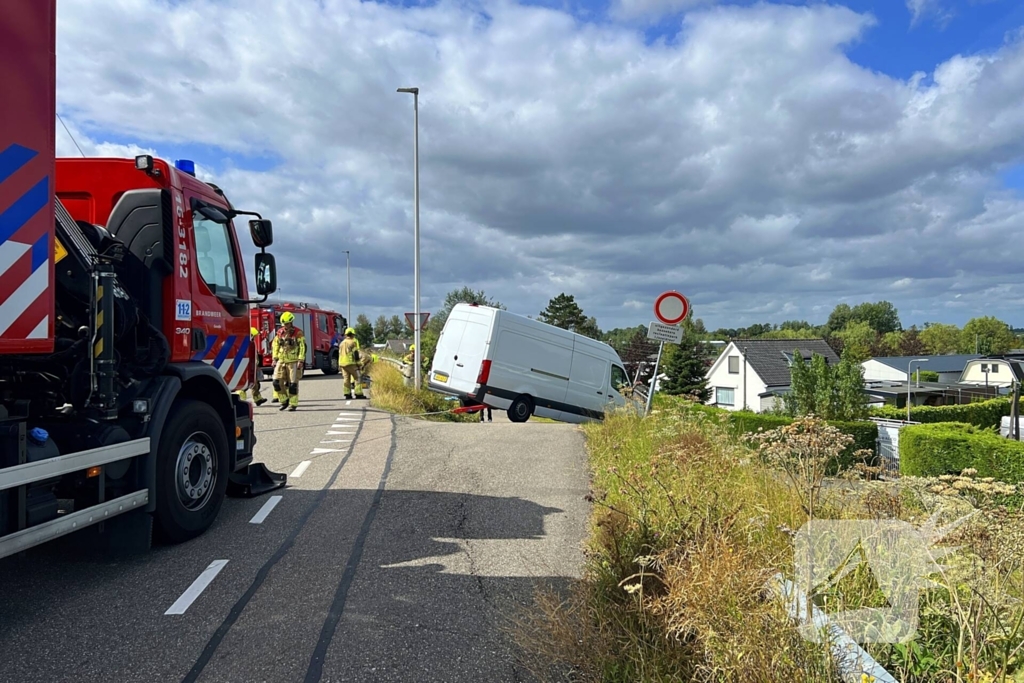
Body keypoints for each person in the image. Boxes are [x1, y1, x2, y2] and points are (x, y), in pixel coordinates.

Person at [272, 311, 306, 411]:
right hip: (281, 360)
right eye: (284, 324)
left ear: (291, 322)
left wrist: (301, 359)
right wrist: (274, 358)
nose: (285, 326)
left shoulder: (298, 333)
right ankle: (284, 400)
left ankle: (293, 404)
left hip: (293, 361)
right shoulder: (279, 332)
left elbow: (302, 347)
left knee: (292, 384)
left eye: (286, 324)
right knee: (276, 382)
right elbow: (276, 345)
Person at [236, 327, 268, 406]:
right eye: (253, 336)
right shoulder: (244, 345)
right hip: (245, 368)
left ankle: (258, 399)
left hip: (251, 367)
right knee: (243, 386)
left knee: (255, 384)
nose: (254, 338)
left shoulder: (249, 343)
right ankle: (241, 402)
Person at [338, 327, 364, 400]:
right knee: (357, 377)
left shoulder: (342, 343)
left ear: (346, 335)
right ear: (352, 335)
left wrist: (339, 365)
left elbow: (339, 353)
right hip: (351, 363)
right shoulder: (353, 342)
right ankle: (358, 393)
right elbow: (355, 354)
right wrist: (359, 363)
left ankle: (347, 394)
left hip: (342, 363)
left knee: (346, 378)